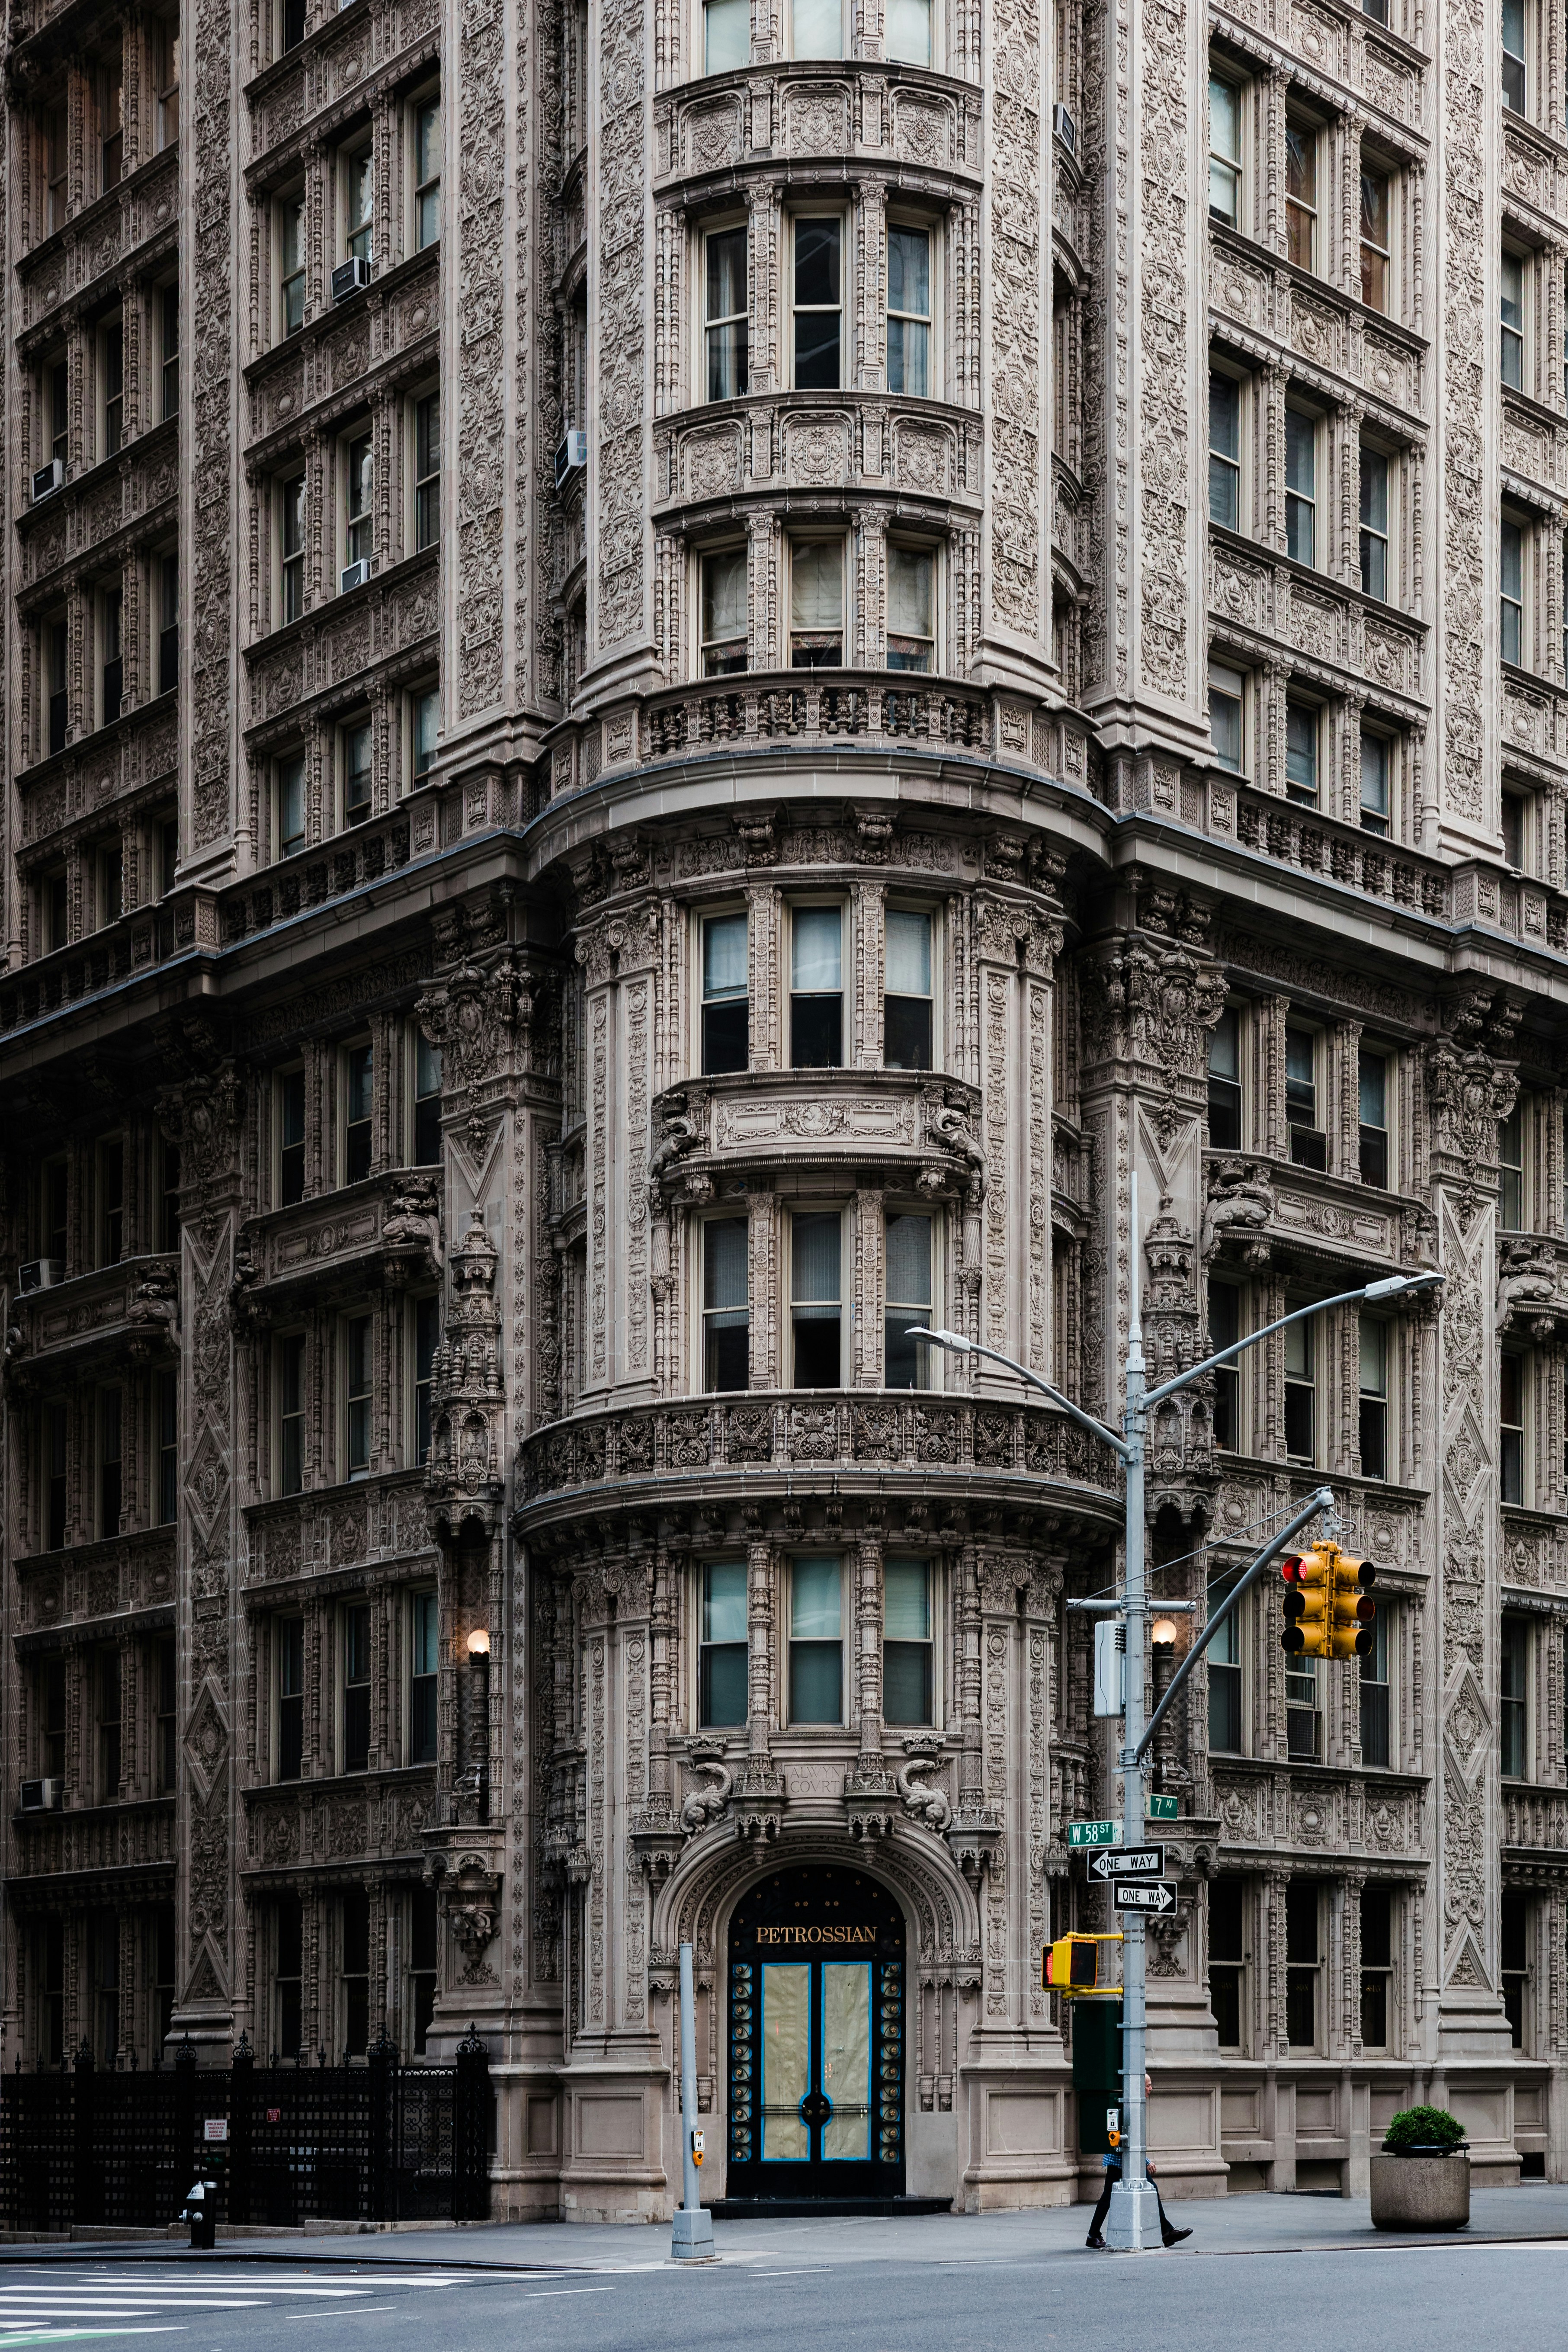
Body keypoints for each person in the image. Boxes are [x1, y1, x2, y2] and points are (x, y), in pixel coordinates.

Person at [1086, 2076, 1192, 2250]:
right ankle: (1165, 2232)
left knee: (1111, 2197)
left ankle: (1094, 2235)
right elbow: (1130, 2140)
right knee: (1117, 2196)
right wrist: (1146, 2161)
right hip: (1121, 2161)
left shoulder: (1134, 2105)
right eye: (1148, 2086)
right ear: (1138, 2087)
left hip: (1123, 2160)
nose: (1151, 2089)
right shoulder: (1130, 2107)